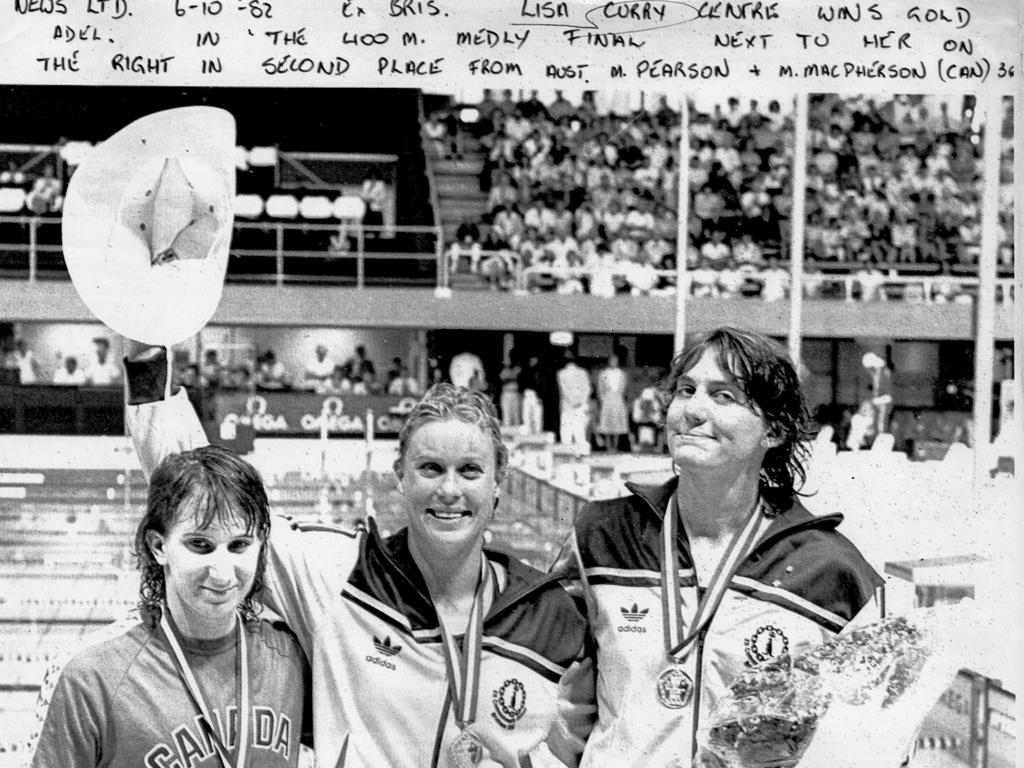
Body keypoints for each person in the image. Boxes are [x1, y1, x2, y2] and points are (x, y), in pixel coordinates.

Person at [124, 358, 590, 768]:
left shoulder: (548, 613)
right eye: (430, 469)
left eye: (470, 470)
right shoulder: (342, 575)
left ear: (498, 484)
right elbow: (200, 494)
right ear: (400, 479)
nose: (450, 490)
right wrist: (147, 348)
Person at [569, 327, 882, 767]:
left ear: (772, 430)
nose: (694, 410)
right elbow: (560, 709)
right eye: (685, 390)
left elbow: (875, 737)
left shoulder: (830, 569)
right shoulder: (601, 535)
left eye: (724, 396)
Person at [27, 444, 310, 767]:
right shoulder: (90, 676)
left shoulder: (290, 658)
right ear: (158, 546)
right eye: (200, 545)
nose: (222, 572)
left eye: (239, 545)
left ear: (260, 543)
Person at [595, 352, 629, 451]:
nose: (613, 362)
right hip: (607, 399)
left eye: (615, 360)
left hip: (618, 398)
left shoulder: (622, 374)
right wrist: (603, 399)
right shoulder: (603, 373)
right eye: (612, 360)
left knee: (617, 423)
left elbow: (624, 389)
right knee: (606, 423)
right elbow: (600, 389)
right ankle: (608, 446)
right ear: (609, 361)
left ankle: (615, 445)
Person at [556, 352, 591, 449]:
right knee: (579, 432)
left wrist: (573, 401)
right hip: (578, 406)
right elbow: (587, 389)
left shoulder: (561, 373)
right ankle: (579, 456)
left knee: (567, 433)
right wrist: (582, 401)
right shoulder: (583, 372)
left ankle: (567, 456)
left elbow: (564, 390)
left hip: (568, 406)